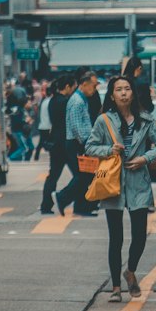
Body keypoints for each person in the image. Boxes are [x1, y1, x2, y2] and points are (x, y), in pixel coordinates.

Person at [84, 74, 156, 300]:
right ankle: (115, 288)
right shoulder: (104, 120)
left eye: (127, 89)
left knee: (139, 235)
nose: (123, 93)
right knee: (116, 237)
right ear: (112, 95)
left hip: (138, 181)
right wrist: (108, 150)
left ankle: (130, 270)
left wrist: (145, 158)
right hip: (112, 181)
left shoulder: (146, 119)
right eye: (119, 89)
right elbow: (90, 146)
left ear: (133, 93)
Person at [56, 70, 99, 217]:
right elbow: (76, 126)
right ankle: (62, 197)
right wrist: (85, 144)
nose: (95, 89)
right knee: (82, 176)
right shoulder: (77, 101)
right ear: (84, 84)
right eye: (94, 85)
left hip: (79, 143)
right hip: (76, 144)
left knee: (85, 176)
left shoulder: (81, 99)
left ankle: (81, 207)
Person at [40, 73, 76, 214]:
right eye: (73, 87)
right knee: (80, 175)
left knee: (53, 176)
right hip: (65, 143)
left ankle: (46, 204)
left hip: (55, 142)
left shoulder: (52, 101)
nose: (74, 90)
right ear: (67, 87)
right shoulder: (66, 102)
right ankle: (66, 198)